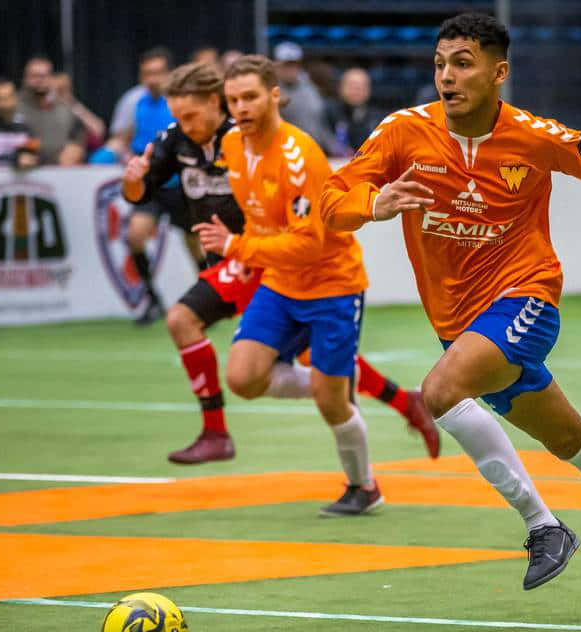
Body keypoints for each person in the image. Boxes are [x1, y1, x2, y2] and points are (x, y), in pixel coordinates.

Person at [320, 14, 581, 597]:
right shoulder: (403, 132)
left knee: (439, 392)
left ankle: (543, 526)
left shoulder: (534, 137)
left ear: (498, 72)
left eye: (462, 64)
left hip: (525, 297)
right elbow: (331, 201)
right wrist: (372, 202)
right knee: (570, 439)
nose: (446, 76)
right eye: (439, 64)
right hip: (459, 325)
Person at [124, 62, 439, 464]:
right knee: (310, 361)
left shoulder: (249, 139)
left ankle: (217, 431)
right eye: (178, 117)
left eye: (191, 115)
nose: (184, 125)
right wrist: (134, 178)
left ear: (215, 103)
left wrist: (242, 244)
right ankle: (399, 400)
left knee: (184, 319)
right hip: (241, 254)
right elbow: (138, 192)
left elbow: (302, 219)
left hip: (258, 257)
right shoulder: (180, 139)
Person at [193, 55, 398, 515]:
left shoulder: (300, 156)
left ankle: (363, 486)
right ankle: (336, 380)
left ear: (274, 96)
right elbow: (258, 213)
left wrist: (237, 247)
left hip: (333, 285)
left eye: (250, 97)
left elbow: (309, 245)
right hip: (281, 284)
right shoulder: (231, 144)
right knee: (243, 378)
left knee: (332, 405)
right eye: (233, 100)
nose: (241, 108)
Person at [126, 47, 186, 325]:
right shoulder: (138, 104)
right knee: (135, 235)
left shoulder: (180, 103)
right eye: (147, 73)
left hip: (180, 184)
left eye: (158, 73)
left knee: (195, 243)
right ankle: (152, 299)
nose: (152, 79)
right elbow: (134, 141)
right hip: (152, 185)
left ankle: (214, 297)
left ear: (170, 74)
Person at [19, 56, 86, 165]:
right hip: (23, 169)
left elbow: (81, 136)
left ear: (52, 79)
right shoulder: (13, 108)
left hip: (60, 170)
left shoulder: (66, 110)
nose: (39, 80)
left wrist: (76, 148)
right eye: (34, 76)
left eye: (44, 76)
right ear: (25, 79)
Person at [271, 41, 336, 153]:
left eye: (294, 64)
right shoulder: (271, 91)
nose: (291, 69)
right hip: (286, 152)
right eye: (286, 65)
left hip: (314, 150)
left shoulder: (310, 88)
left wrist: (334, 147)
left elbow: (320, 124)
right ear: (276, 65)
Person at [326, 67, 381, 156]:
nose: (356, 90)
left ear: (369, 90)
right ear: (340, 88)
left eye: (361, 86)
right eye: (351, 85)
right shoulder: (327, 114)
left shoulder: (378, 118)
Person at [51, 72, 106, 151]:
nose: (57, 94)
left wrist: (70, 103)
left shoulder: (73, 107)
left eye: (63, 89)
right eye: (57, 90)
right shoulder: (41, 110)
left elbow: (99, 130)